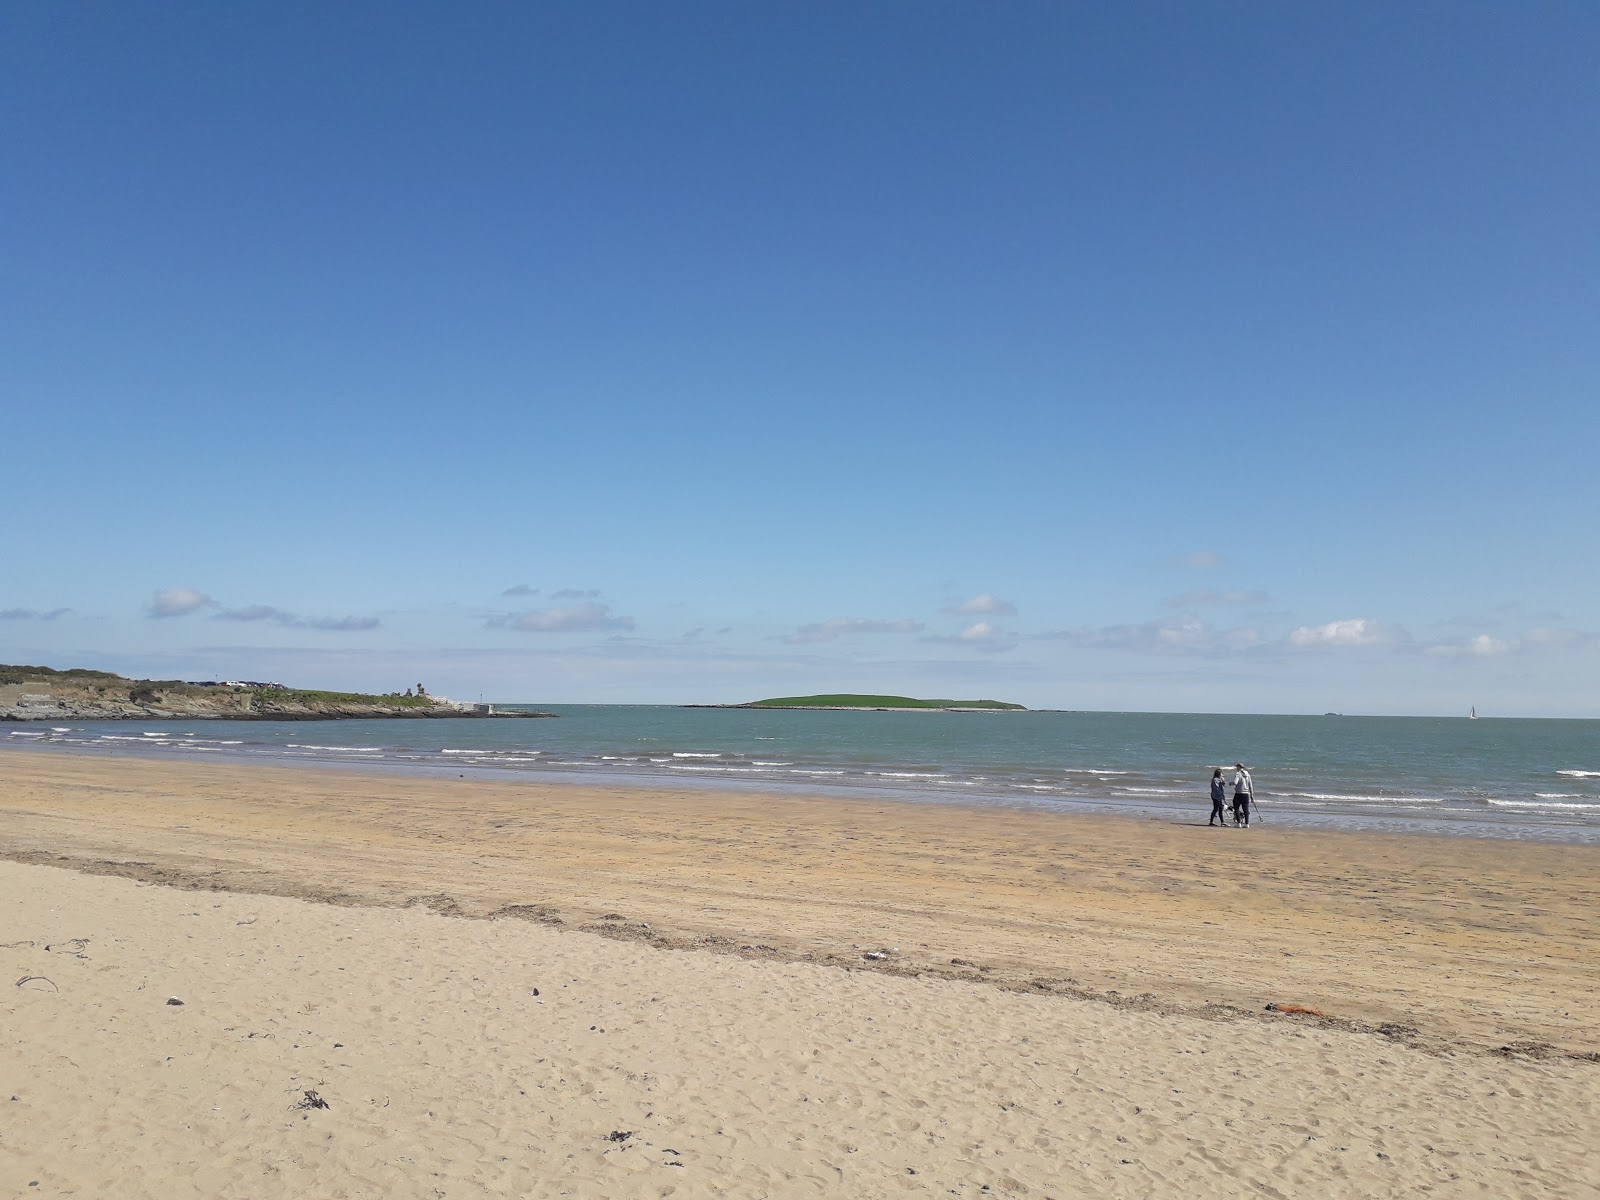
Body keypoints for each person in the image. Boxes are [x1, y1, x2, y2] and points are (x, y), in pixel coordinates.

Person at [1232, 762, 1254, 827]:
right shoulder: (1248, 774)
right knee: (1246, 809)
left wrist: (1230, 783)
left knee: (1236, 808)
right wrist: (1252, 795)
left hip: (1239, 793)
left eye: (1237, 767)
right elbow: (1250, 785)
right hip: (1246, 794)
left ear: (1239, 767)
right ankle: (1247, 824)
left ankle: (1239, 823)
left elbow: (1235, 782)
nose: (1236, 768)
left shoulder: (1238, 774)